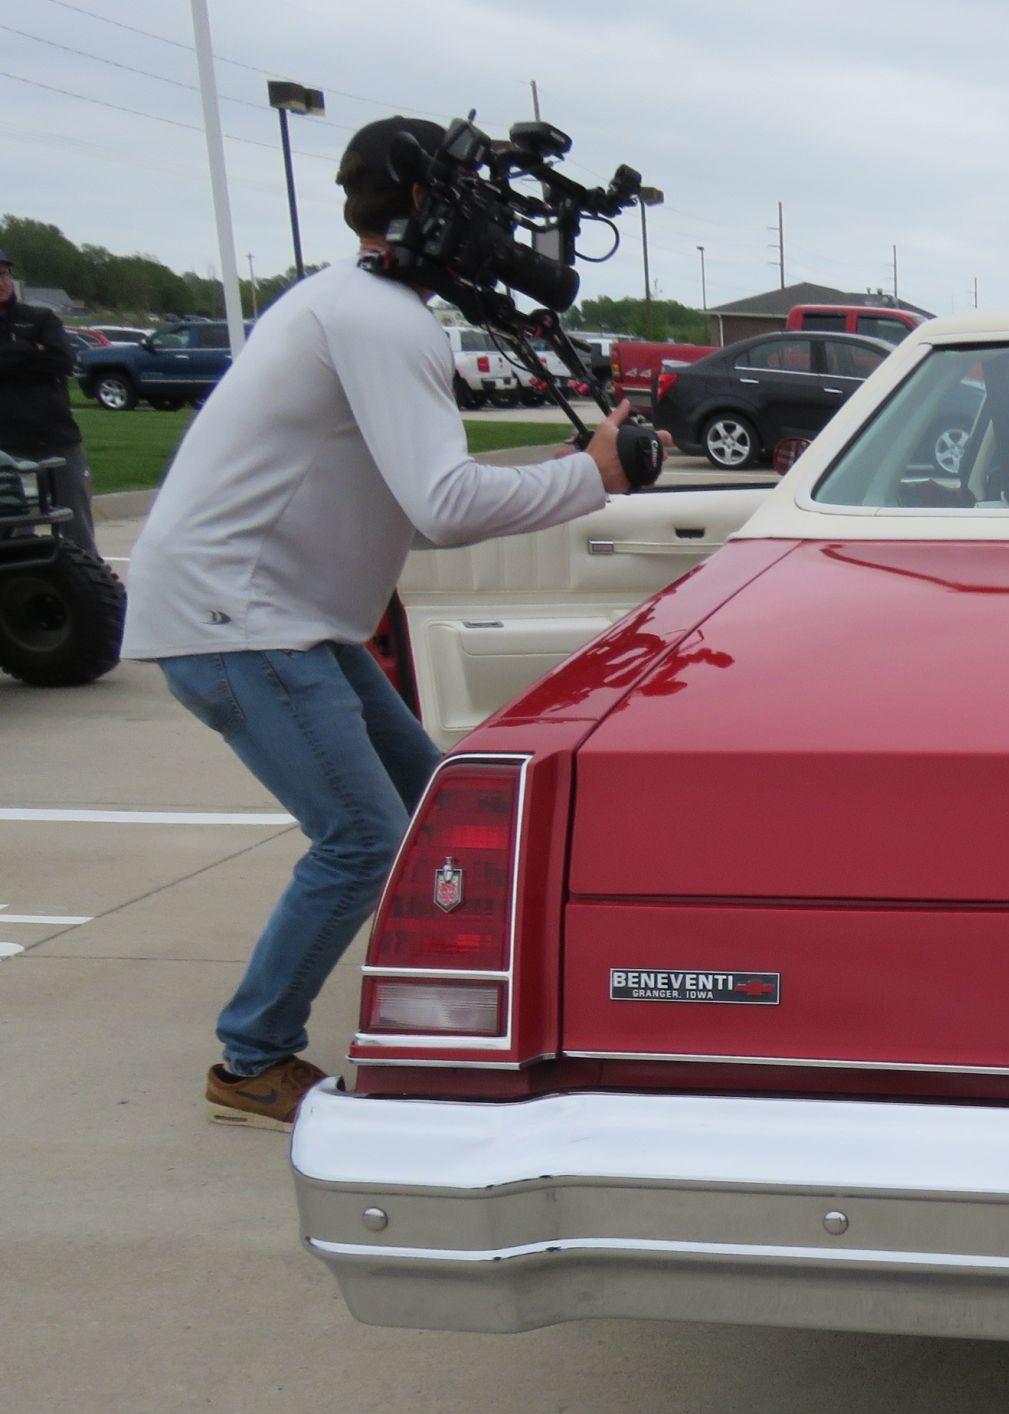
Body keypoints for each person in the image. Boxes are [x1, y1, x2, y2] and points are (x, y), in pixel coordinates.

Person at [122, 116, 662, 1130]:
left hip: (281, 619)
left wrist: (574, 474)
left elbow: (418, 502)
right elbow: (445, 508)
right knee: (362, 840)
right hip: (242, 621)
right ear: (431, 207)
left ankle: (466, 999)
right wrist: (590, 475)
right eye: (494, 214)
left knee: (429, 810)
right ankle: (252, 1054)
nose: (506, 238)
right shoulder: (382, 321)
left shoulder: (347, 304)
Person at [0, 248, 94, 552]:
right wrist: (32, 350)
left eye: (4, 274)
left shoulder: (41, 317)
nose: (1, 281)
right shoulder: (36, 332)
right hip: (8, 449)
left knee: (77, 530)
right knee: (15, 535)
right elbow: (42, 358)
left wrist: (16, 355)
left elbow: (62, 360)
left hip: (58, 439)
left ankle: (92, 596)